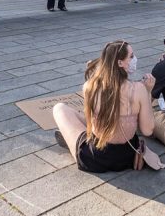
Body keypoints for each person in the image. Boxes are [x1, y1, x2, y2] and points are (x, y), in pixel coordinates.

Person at [52, 40, 154, 172]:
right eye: (131, 56)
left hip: (95, 159)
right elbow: (148, 130)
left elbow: (91, 125)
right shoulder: (139, 89)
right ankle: (71, 140)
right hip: (128, 156)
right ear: (120, 63)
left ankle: (71, 142)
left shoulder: (90, 86)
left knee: (59, 108)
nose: (135, 59)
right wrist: (148, 92)